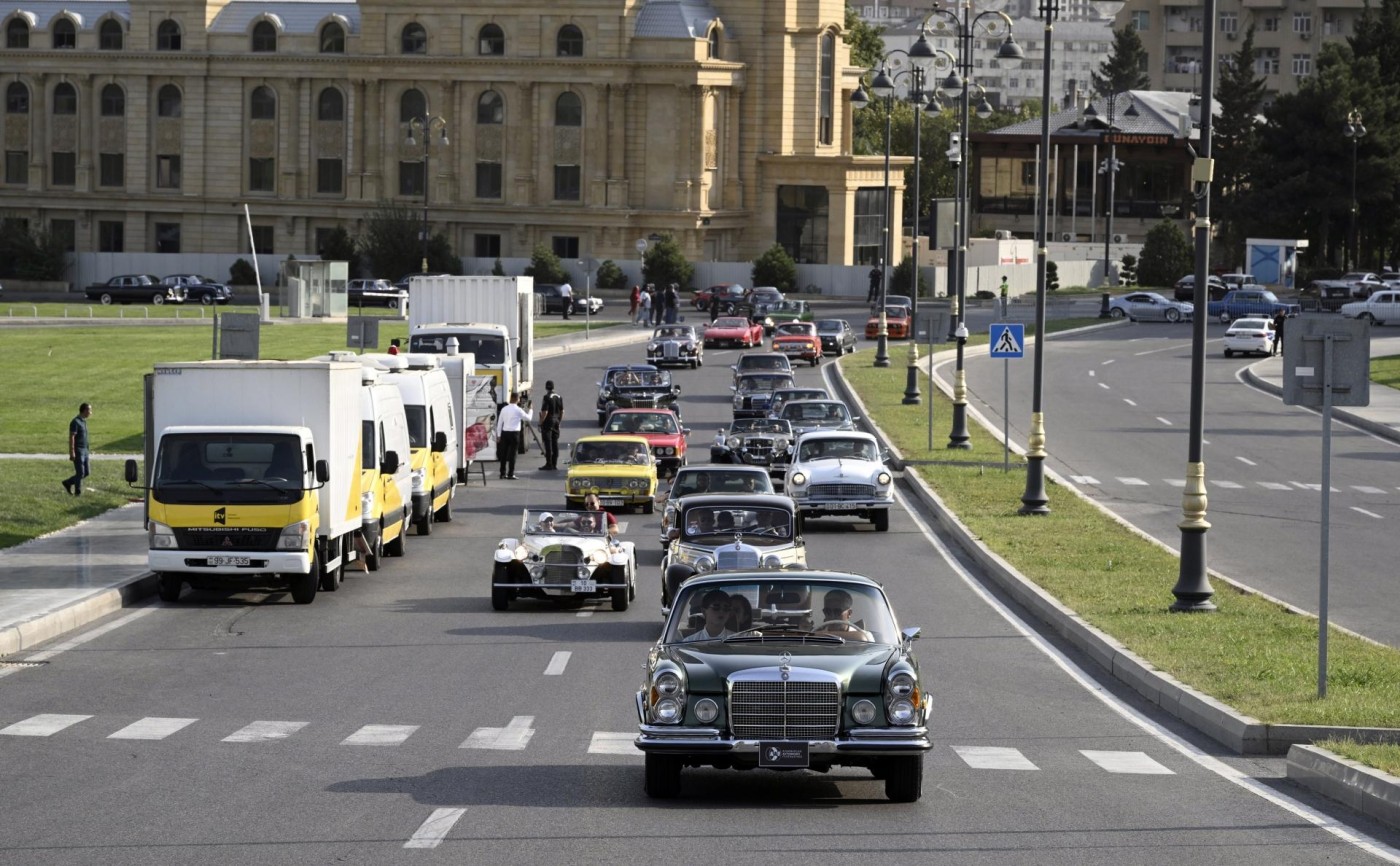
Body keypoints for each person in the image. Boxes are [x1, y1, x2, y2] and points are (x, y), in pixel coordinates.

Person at [495, 392, 532, 480]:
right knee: (513, 454)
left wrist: (498, 435)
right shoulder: (518, 410)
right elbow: (528, 418)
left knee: (503, 454)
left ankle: (502, 473)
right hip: (515, 434)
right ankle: (511, 473)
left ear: (511, 398)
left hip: (505, 433)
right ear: (517, 399)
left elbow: (500, 423)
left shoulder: (504, 409)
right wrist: (531, 410)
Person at [62, 402, 92, 496]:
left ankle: (68, 482)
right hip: (78, 450)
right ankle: (77, 492)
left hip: (85, 451)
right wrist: (72, 452)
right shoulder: (75, 422)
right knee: (80, 473)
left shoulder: (83, 421)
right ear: (85, 410)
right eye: (89, 410)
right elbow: (72, 437)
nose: (91, 412)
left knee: (86, 472)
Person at [538, 380, 564, 470]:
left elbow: (545, 412)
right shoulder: (559, 397)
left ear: (546, 387)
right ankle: (554, 463)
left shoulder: (546, 397)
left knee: (548, 443)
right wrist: (559, 421)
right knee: (555, 442)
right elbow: (562, 411)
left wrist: (540, 422)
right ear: (553, 387)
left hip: (548, 422)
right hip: (556, 421)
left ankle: (548, 463)